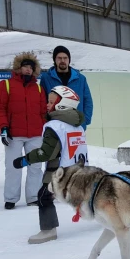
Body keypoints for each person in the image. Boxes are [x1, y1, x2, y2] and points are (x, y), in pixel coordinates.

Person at [12, 86, 88, 244]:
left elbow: (47, 153)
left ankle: (48, 230)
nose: (47, 104)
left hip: (61, 172)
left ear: (62, 104)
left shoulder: (54, 126)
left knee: (43, 197)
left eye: (51, 101)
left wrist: (25, 160)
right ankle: (104, 215)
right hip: (80, 170)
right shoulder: (77, 124)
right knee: (84, 195)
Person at [0, 52, 47, 210]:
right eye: (25, 66)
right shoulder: (6, 85)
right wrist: (3, 127)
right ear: (18, 67)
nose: (28, 70)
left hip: (35, 135)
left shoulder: (38, 88)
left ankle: (33, 197)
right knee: (13, 167)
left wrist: (44, 128)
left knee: (35, 167)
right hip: (14, 135)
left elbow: (43, 112)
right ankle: (10, 198)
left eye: (31, 67)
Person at [39, 45, 93, 130]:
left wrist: (85, 120)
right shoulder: (46, 78)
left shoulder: (80, 78)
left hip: (76, 124)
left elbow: (87, 101)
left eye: (65, 58)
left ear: (69, 60)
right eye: (59, 58)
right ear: (55, 60)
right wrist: (46, 119)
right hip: (55, 124)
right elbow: (42, 100)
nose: (62, 61)